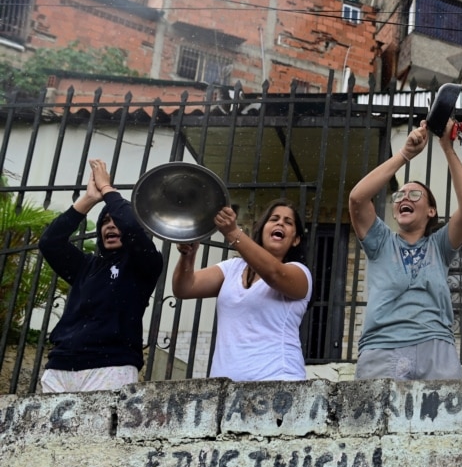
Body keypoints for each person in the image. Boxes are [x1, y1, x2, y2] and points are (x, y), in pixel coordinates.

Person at [348, 119, 462, 380]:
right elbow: (357, 199)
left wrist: (447, 148)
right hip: (381, 349)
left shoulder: (439, 246)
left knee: (443, 423)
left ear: (431, 211)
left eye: (415, 195)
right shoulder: (381, 241)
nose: (405, 198)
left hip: (436, 349)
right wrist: (405, 154)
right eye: (400, 196)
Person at [38, 159, 164, 393]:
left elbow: (133, 230)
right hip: (60, 366)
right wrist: (88, 200)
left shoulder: (145, 264)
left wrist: (107, 189)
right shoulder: (86, 265)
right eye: (105, 221)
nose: (111, 226)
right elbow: (49, 242)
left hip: (111, 366)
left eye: (117, 221)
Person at [172, 200, 311, 381]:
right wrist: (188, 255)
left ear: (296, 239)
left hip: (279, 383)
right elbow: (185, 288)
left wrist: (232, 232)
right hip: (225, 388)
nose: (280, 223)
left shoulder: (300, 272)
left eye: (288, 222)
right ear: (261, 230)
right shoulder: (232, 268)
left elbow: (274, 274)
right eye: (274, 219)